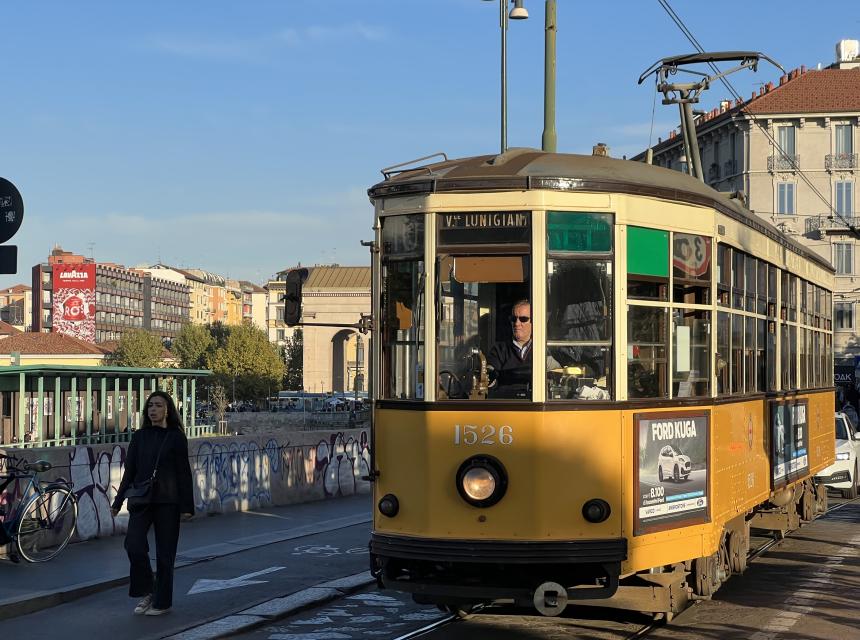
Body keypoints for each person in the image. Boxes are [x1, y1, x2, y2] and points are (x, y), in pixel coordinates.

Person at [111, 391, 194, 616]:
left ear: (168, 410)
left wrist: (187, 507)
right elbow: (130, 471)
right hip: (142, 500)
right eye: (150, 406)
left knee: (166, 555)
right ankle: (148, 589)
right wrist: (118, 501)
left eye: (158, 405)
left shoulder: (176, 437)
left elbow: (183, 473)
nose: (153, 409)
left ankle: (162, 602)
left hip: (168, 501)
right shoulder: (139, 436)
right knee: (133, 545)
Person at [487, 299, 532, 398]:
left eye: (523, 319)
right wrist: (489, 379)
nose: (517, 323)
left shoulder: (543, 349)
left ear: (533, 322)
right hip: (507, 405)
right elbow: (490, 379)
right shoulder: (499, 350)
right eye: (513, 319)